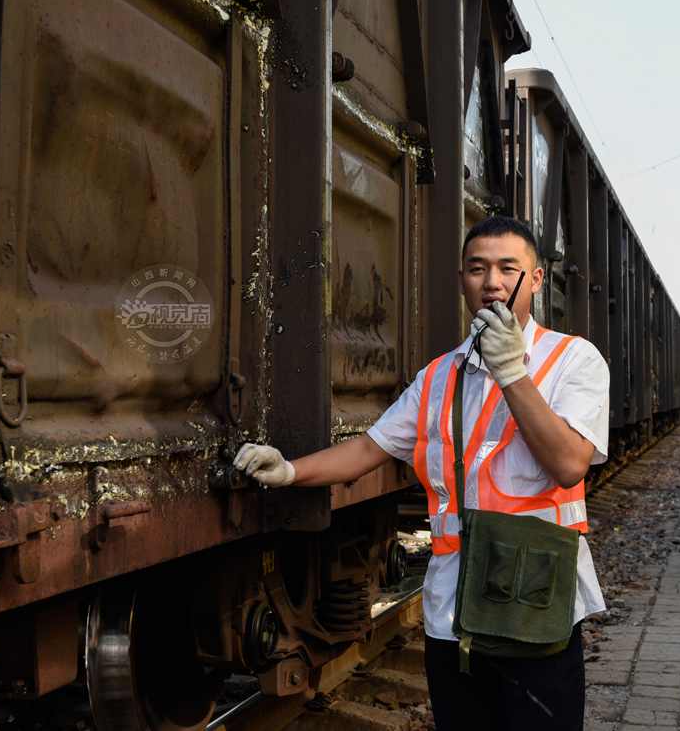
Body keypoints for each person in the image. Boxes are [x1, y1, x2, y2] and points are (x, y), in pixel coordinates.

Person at [233, 216, 609, 731]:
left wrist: (512, 372)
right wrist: (290, 470)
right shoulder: (439, 375)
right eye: (477, 269)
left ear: (536, 279)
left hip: (535, 604)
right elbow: (370, 449)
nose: (492, 283)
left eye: (507, 269)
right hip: (453, 611)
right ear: (461, 281)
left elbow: (569, 464)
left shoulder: (574, 361)